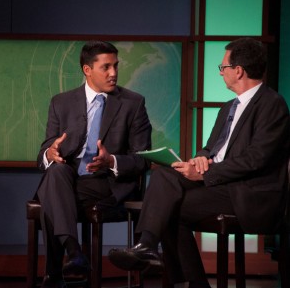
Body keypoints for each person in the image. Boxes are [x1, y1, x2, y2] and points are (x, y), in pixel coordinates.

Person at [108, 37, 290, 288]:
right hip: (222, 184)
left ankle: (190, 281)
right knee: (164, 174)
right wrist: (200, 160)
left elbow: (256, 159)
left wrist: (206, 174)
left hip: (250, 192)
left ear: (238, 71)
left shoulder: (272, 104)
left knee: (170, 208)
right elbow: (212, 148)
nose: (221, 72)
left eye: (223, 67)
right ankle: (148, 246)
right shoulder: (229, 107)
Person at [35, 40, 152, 288]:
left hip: (106, 183)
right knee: (55, 172)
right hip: (69, 178)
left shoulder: (133, 103)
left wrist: (111, 160)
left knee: (51, 193)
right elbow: (43, 153)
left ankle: (58, 270)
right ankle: (74, 252)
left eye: (116, 66)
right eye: (106, 67)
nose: (114, 73)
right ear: (87, 70)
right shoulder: (61, 102)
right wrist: (50, 153)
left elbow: (142, 159)